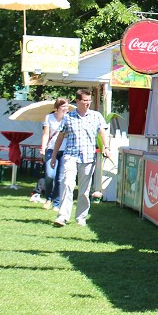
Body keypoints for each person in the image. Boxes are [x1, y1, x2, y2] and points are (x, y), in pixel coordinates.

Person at [49, 90, 110, 228]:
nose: (88, 103)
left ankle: (81, 217)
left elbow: (102, 131)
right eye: (85, 100)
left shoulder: (96, 116)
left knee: (84, 190)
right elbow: (60, 137)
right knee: (67, 184)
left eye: (89, 100)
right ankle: (63, 216)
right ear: (77, 101)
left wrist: (106, 147)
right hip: (70, 156)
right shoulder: (68, 117)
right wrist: (54, 156)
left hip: (88, 157)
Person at [39, 98, 68, 211]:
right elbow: (46, 134)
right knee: (50, 175)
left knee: (60, 178)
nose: (66, 109)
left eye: (67, 106)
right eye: (63, 106)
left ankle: (56, 203)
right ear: (57, 107)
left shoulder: (69, 118)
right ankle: (48, 198)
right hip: (51, 149)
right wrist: (43, 147)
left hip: (65, 150)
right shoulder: (49, 117)